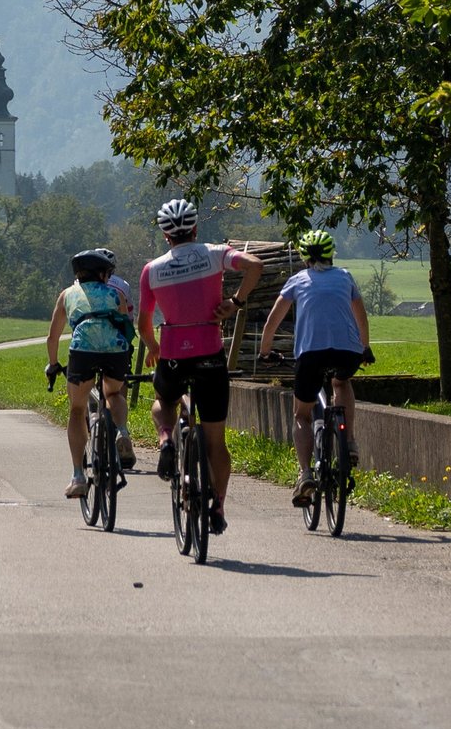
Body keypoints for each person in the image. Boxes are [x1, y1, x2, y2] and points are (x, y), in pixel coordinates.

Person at [138, 198, 261, 537]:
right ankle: (218, 506)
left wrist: (153, 347)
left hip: (174, 355)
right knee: (215, 441)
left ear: (166, 236)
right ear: (194, 228)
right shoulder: (215, 253)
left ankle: (166, 440)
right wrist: (234, 303)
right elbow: (255, 265)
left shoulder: (153, 270)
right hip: (210, 354)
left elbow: (143, 322)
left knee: (163, 403)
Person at [258, 228, 370, 501]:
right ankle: (350, 442)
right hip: (347, 352)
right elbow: (361, 315)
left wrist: (265, 350)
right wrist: (365, 347)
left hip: (310, 355)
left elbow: (274, 318)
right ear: (331, 254)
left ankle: (306, 473)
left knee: (302, 415)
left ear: (304, 256)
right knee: (341, 382)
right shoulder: (345, 277)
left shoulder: (297, 280)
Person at [46, 248, 137, 499]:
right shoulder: (115, 293)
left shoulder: (66, 295)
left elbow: (52, 337)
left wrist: (53, 364)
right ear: (102, 274)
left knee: (77, 409)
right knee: (115, 392)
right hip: (114, 352)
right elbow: (125, 325)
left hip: (83, 352)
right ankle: (122, 432)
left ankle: (77, 476)